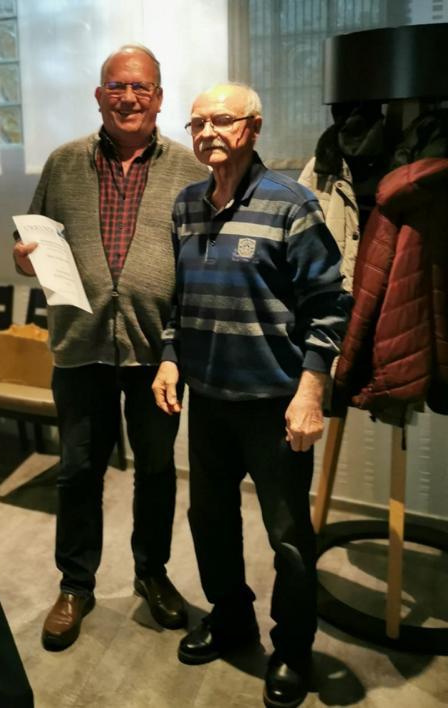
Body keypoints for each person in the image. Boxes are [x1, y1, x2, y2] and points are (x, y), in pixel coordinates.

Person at [152, 83, 350, 708]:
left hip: (274, 404)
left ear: (253, 129)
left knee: (288, 537)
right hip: (208, 402)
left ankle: (292, 649)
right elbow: (179, 301)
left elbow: (330, 305)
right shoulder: (186, 206)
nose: (208, 132)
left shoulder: (292, 204)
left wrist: (311, 390)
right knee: (209, 522)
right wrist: (169, 357)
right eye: (197, 123)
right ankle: (232, 618)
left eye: (223, 120)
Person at [13, 44, 207, 651]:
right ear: (99, 95)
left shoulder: (190, 171)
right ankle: (75, 585)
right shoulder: (63, 162)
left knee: (156, 472)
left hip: (158, 355)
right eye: (117, 87)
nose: (129, 98)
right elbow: (33, 245)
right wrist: (23, 260)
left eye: (141, 87)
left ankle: (152, 573)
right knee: (77, 472)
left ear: (159, 98)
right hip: (80, 347)